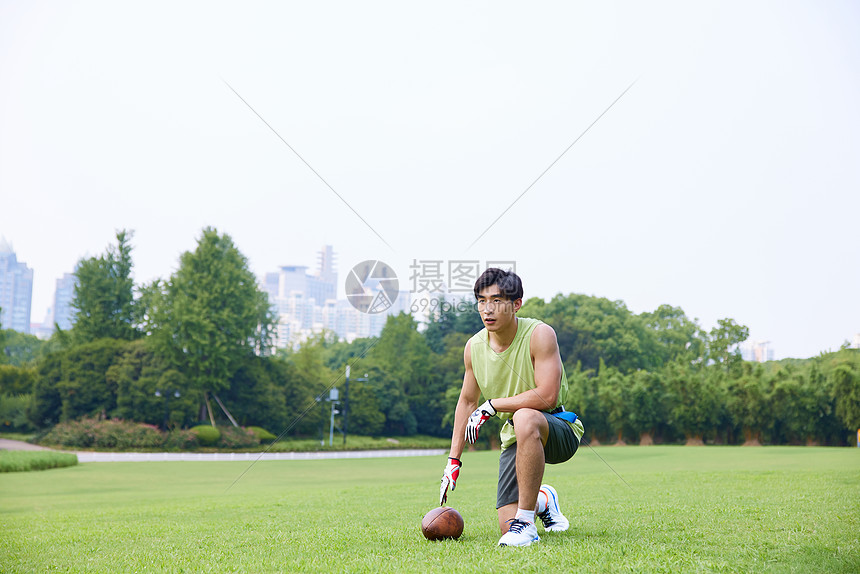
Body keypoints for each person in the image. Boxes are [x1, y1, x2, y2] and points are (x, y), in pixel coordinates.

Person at [439, 268, 585, 547]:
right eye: (481, 301)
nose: (487, 309)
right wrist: (453, 461)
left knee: (525, 416)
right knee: (507, 523)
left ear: (517, 304)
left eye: (496, 300)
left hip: (557, 428)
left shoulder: (540, 334)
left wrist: (493, 405)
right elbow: (467, 401)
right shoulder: (473, 347)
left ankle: (528, 526)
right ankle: (543, 501)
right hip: (515, 435)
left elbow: (548, 396)